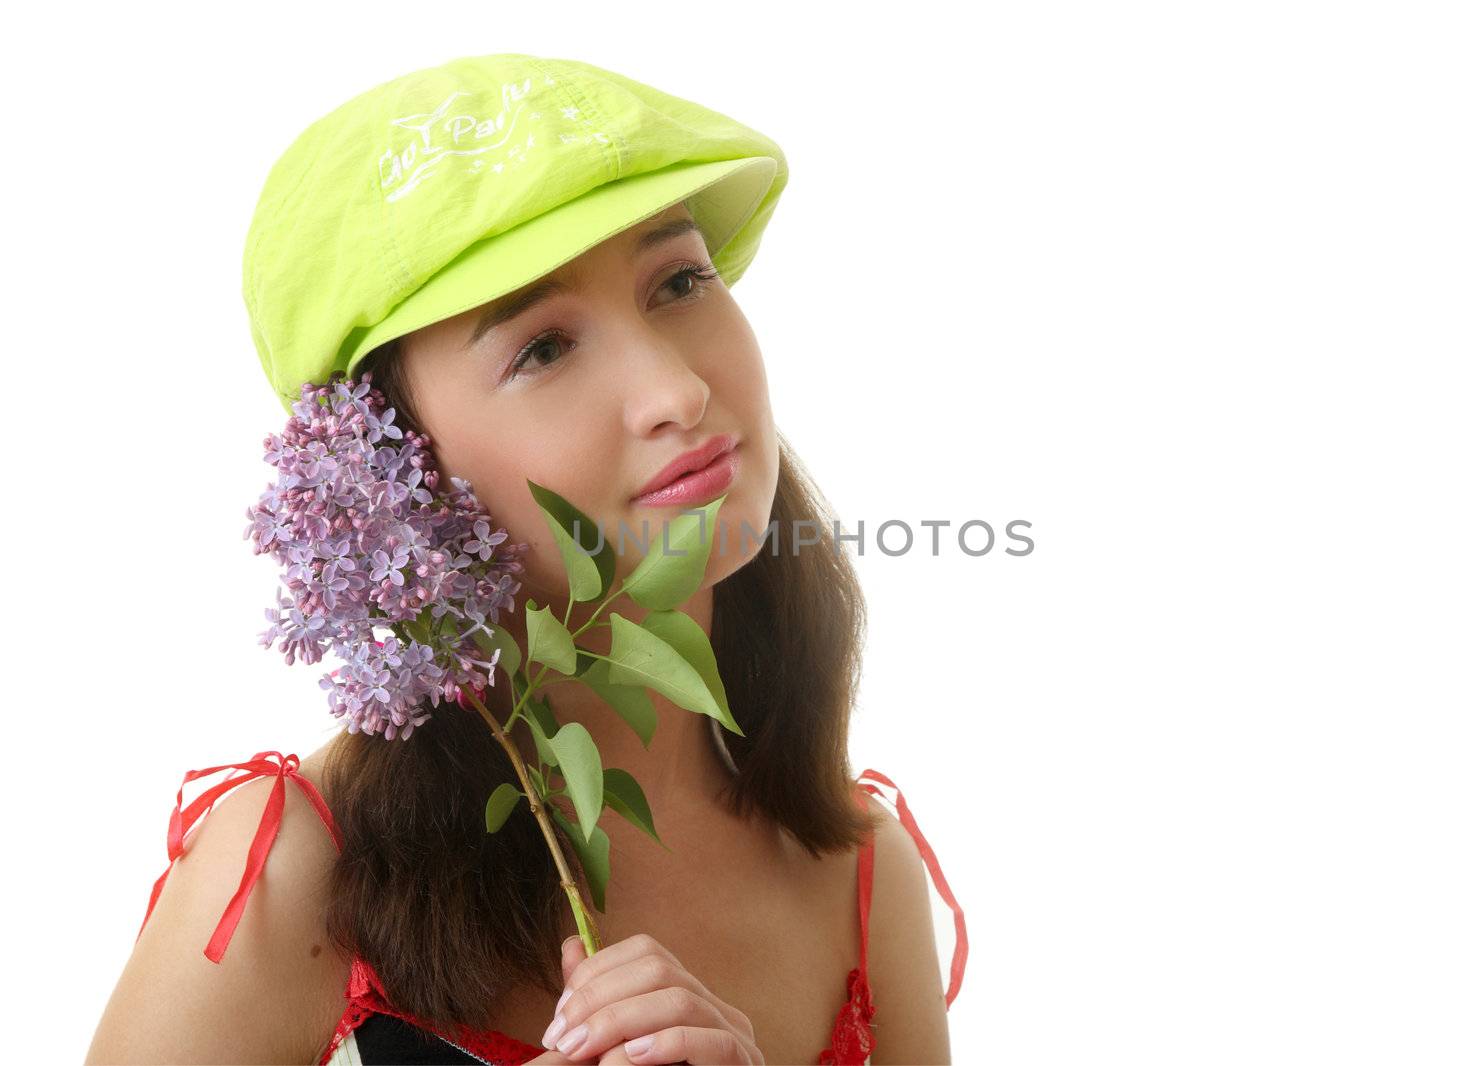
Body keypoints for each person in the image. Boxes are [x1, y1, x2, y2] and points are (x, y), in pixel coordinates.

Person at [86, 54, 965, 1065]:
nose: (675, 389)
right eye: (543, 348)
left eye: (679, 279)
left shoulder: (855, 873)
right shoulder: (291, 871)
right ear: (384, 467)